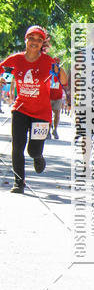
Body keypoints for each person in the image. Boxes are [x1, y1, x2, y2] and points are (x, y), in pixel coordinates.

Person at [0, 26, 69, 192]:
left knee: (33, 150)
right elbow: (2, 71)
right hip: (20, 109)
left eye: (39, 40)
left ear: (42, 44)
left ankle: (38, 157)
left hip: (42, 113)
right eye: (32, 38)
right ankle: (19, 183)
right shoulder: (15, 59)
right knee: (17, 146)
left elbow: (64, 81)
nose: (34, 42)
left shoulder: (47, 61)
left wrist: (60, 70)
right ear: (26, 39)